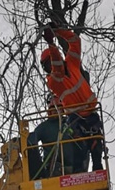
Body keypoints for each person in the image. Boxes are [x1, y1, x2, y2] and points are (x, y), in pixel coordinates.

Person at [37, 25, 104, 174]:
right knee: (79, 147)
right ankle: (79, 174)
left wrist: (58, 31)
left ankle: (98, 169)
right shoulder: (53, 81)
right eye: (47, 65)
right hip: (75, 118)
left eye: (49, 62)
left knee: (96, 143)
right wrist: (52, 44)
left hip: (91, 112)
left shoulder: (73, 64)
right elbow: (58, 67)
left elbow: (75, 41)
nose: (50, 67)